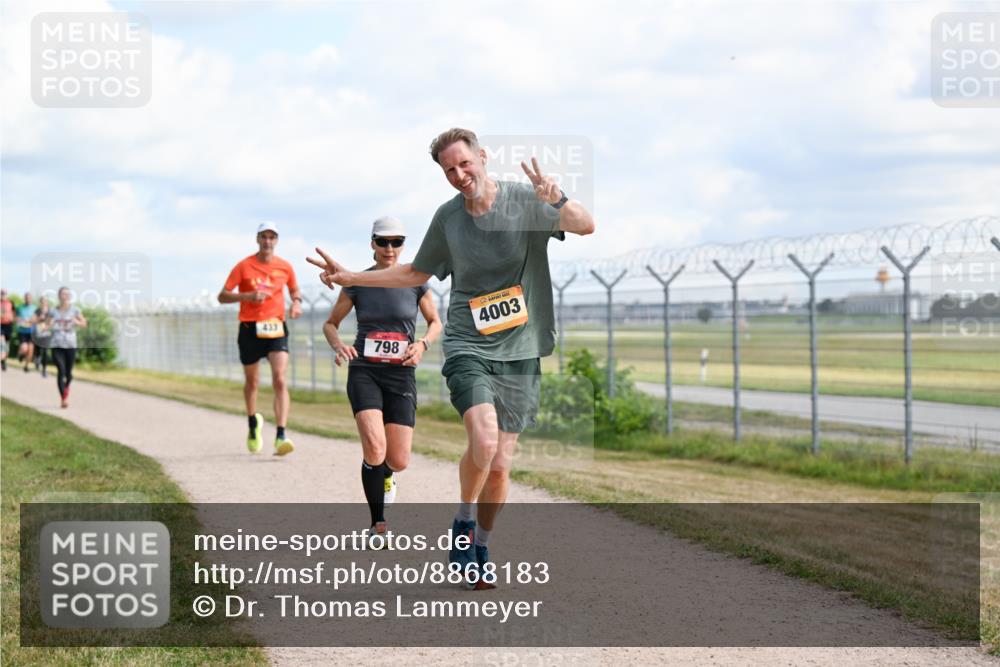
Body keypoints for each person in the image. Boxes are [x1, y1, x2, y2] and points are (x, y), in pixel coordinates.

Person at [309, 128, 595, 586]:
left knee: (500, 463)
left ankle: (480, 544)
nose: (459, 175)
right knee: (482, 441)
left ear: (482, 157)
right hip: (468, 343)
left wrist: (557, 200)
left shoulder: (525, 201)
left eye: (465, 164)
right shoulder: (448, 219)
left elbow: (585, 225)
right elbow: (416, 272)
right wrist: (351, 278)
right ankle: (463, 524)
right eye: (449, 171)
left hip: (521, 348)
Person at [322, 216, 442, 545]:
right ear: (372, 243)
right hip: (365, 371)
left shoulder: (415, 280)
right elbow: (331, 323)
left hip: (401, 373)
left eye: (396, 241)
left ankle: (386, 476)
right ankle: (378, 525)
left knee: (398, 459)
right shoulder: (357, 281)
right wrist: (339, 346)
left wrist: (423, 344)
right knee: (375, 447)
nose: (389, 248)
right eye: (382, 241)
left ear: (403, 244)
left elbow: (434, 321)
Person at [219, 222, 302, 456]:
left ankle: (281, 435)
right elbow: (222, 296)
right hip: (249, 328)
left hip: (276, 328)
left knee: (280, 379)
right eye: (263, 237)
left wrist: (296, 303)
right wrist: (247, 295)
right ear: (257, 239)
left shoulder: (285, 267)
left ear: (276, 240)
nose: (267, 241)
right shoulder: (244, 266)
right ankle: (253, 424)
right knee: (252, 382)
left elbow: (295, 291)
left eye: (272, 237)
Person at [45, 287, 88, 408]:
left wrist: (77, 321)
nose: (66, 296)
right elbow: (46, 325)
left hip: (70, 345)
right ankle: (63, 399)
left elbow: (84, 324)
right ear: (59, 296)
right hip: (56, 344)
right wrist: (49, 324)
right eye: (63, 294)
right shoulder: (53, 311)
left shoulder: (75, 310)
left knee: (69, 374)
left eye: (68, 294)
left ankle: (66, 389)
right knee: (61, 371)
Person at [16, 292, 37, 373]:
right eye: (26, 297)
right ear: (24, 298)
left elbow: (36, 320)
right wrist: (21, 321)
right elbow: (17, 318)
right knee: (24, 348)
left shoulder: (35, 308)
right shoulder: (20, 308)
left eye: (29, 297)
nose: (28, 299)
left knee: (30, 350)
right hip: (22, 331)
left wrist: (31, 321)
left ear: (31, 299)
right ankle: (20, 355)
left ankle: (26, 366)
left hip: (31, 332)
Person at [33, 295, 52, 378]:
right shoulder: (37, 310)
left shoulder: (50, 311)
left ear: (47, 302)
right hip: (38, 332)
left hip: (47, 333)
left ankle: (44, 370)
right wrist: (39, 319)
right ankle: (37, 359)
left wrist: (47, 326)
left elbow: (52, 321)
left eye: (45, 301)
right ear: (40, 302)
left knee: (45, 351)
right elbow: (33, 320)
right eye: (42, 301)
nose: (43, 302)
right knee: (38, 349)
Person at [1, 289, 13, 371]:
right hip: (0, 325)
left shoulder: (11, 303)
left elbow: (13, 315)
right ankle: (2, 359)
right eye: (2, 293)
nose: (3, 295)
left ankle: (4, 360)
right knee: (2, 343)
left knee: (7, 346)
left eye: (4, 293)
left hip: (8, 325)